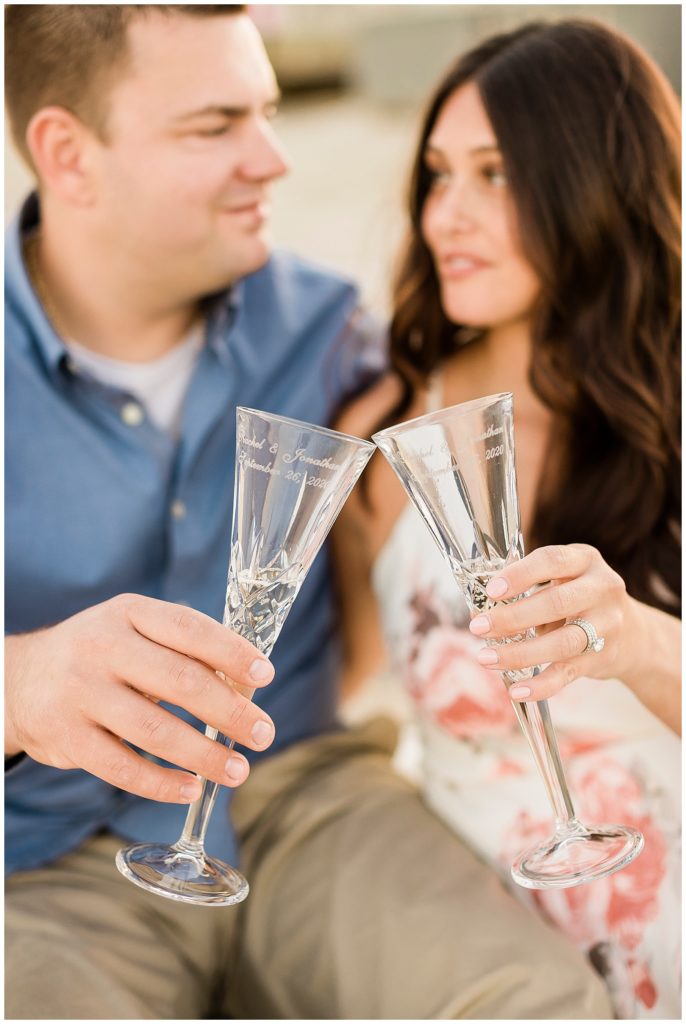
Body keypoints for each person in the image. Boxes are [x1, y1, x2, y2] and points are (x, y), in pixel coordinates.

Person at [4, 5, 615, 1020]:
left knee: (534, 1000)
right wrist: (20, 681)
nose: (273, 157)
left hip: (308, 796)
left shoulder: (330, 334)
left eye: (270, 111)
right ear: (67, 154)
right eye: (216, 126)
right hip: (43, 857)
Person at [334, 17, 681, 1020]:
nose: (447, 215)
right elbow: (351, 687)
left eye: (494, 175)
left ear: (594, 182)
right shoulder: (382, 433)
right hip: (477, 936)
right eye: (437, 176)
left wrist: (637, 640)